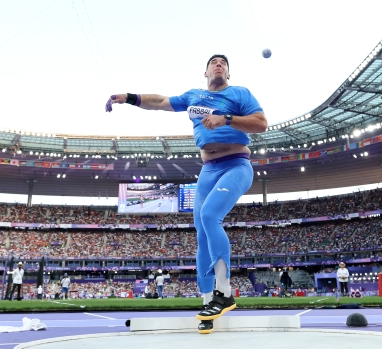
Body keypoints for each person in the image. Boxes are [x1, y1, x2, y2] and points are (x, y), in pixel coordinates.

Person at [106, 54, 267, 334]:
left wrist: (226, 119)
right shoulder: (194, 96)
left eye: (224, 63)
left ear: (228, 72)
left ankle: (224, 292)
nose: (219, 65)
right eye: (214, 62)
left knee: (210, 215)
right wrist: (129, 97)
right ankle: (208, 304)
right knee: (201, 231)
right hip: (208, 169)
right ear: (205, 71)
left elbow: (261, 123)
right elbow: (159, 102)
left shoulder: (240, 93)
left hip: (236, 165)